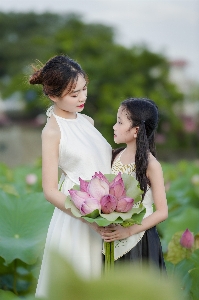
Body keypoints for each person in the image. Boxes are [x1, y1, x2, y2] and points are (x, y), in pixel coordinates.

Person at [29, 55, 112, 297]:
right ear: (54, 96)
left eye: (84, 88)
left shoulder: (87, 120)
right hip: (77, 219)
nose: (82, 97)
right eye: (74, 94)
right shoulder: (52, 132)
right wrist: (90, 220)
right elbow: (50, 191)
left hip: (106, 214)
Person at [101, 98, 168, 271]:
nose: (114, 127)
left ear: (136, 130)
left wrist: (128, 231)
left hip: (140, 240)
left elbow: (162, 212)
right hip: (111, 236)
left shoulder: (151, 165)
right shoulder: (114, 156)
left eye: (120, 122)